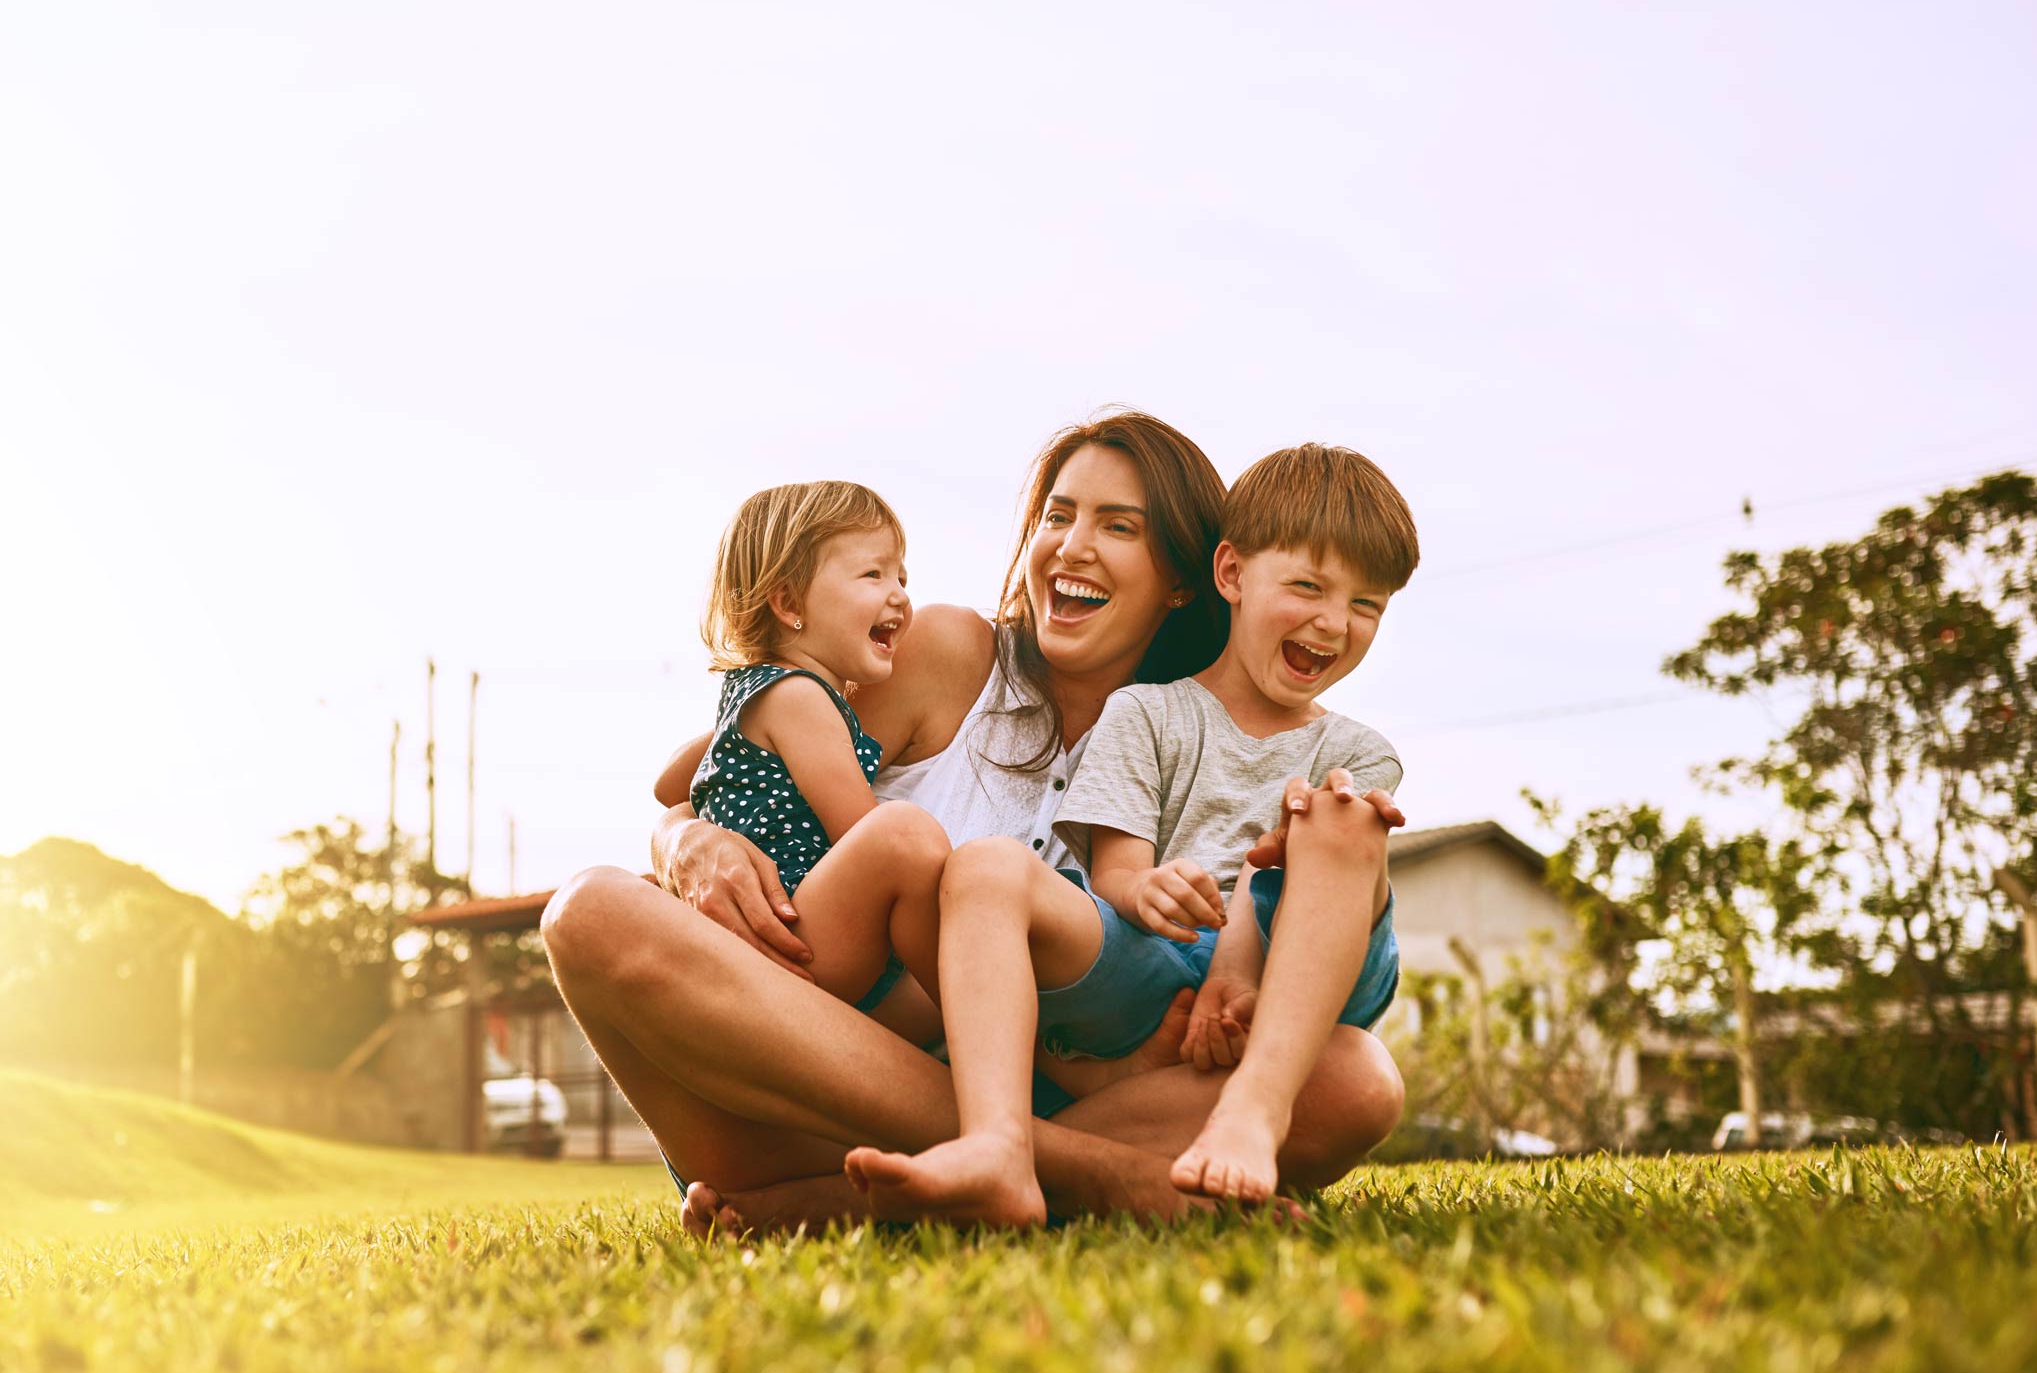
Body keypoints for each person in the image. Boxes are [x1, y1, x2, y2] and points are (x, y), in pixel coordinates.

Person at [541, 411, 1409, 1235]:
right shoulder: (947, 654)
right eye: (1057, 515)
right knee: (588, 911)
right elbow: (735, 758)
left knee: (1354, 1079)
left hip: (1061, 1098)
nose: (1071, 546)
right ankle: (1082, 1173)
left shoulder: (1206, 743)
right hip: (795, 1090)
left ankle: (880, 1191)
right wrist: (689, 840)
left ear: (1185, 580)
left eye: (1117, 526)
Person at [845, 444, 1418, 1227]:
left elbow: (1294, 878)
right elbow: (1114, 869)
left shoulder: (1358, 751)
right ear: (1231, 575)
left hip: (1300, 973)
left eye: (1366, 606)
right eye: (1309, 587)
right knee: (985, 867)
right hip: (1161, 964)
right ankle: (997, 1146)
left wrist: (1243, 968)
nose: (1332, 622)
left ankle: (1253, 1110)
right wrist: (1143, 887)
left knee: (1337, 820)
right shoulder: (1146, 712)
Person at [686, 479, 948, 1043]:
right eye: (873, 574)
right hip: (798, 935)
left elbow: (671, 784)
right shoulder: (801, 698)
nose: (900, 594)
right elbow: (864, 833)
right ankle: (977, 1008)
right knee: (904, 835)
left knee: (967, 1009)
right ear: (788, 603)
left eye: (902, 576)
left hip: (785, 941)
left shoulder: (751, 692)